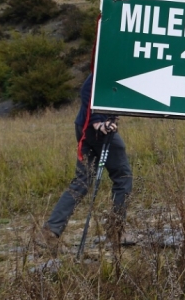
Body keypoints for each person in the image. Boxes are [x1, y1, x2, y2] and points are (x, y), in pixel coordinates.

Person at [38, 72, 133, 255]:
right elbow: (88, 88)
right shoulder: (113, 59)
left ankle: (50, 231)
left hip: (85, 125)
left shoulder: (113, 58)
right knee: (123, 177)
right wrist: (98, 121)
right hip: (96, 129)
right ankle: (116, 231)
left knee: (82, 180)